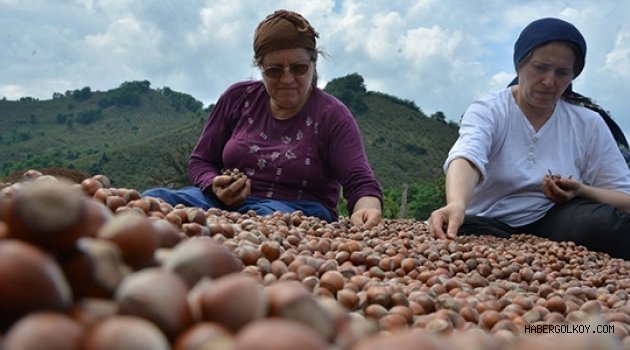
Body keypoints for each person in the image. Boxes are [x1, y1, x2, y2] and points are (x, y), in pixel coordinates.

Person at [143, 10, 383, 228]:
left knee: (263, 222)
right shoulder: (237, 98)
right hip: (221, 204)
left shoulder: (332, 115)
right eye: (274, 70)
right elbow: (201, 160)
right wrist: (214, 184)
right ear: (260, 67)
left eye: (298, 68)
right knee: (153, 200)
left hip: (297, 211)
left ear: (313, 63)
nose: (287, 79)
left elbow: (360, 182)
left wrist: (367, 209)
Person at [428, 17, 630, 259]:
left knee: (600, 224)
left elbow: (624, 198)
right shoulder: (490, 109)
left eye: (562, 72)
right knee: (463, 237)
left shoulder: (588, 123)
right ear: (519, 64)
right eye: (540, 67)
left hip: (554, 220)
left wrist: (581, 191)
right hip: (489, 220)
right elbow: (468, 156)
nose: (549, 81)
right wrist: (457, 203)